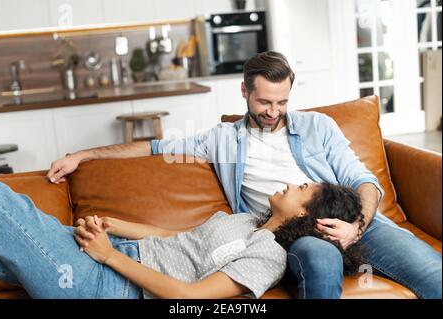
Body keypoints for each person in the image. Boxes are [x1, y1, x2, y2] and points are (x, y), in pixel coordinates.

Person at [47, 51, 441, 299]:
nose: (274, 110)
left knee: (433, 273)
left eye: (283, 101)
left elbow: (363, 180)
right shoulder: (220, 140)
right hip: (298, 233)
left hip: (361, 223)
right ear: (244, 92)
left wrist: (357, 224)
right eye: (265, 101)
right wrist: (85, 153)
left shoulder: (318, 127)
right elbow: (153, 147)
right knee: (319, 259)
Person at [0, 178, 363, 299]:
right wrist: (111, 225)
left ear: (304, 214)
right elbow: (177, 238)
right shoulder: (250, 221)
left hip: (105, 284)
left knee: (0, 201)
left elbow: (189, 298)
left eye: (300, 188)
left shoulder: (269, 257)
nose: (288, 184)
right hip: (113, 254)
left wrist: (108, 257)